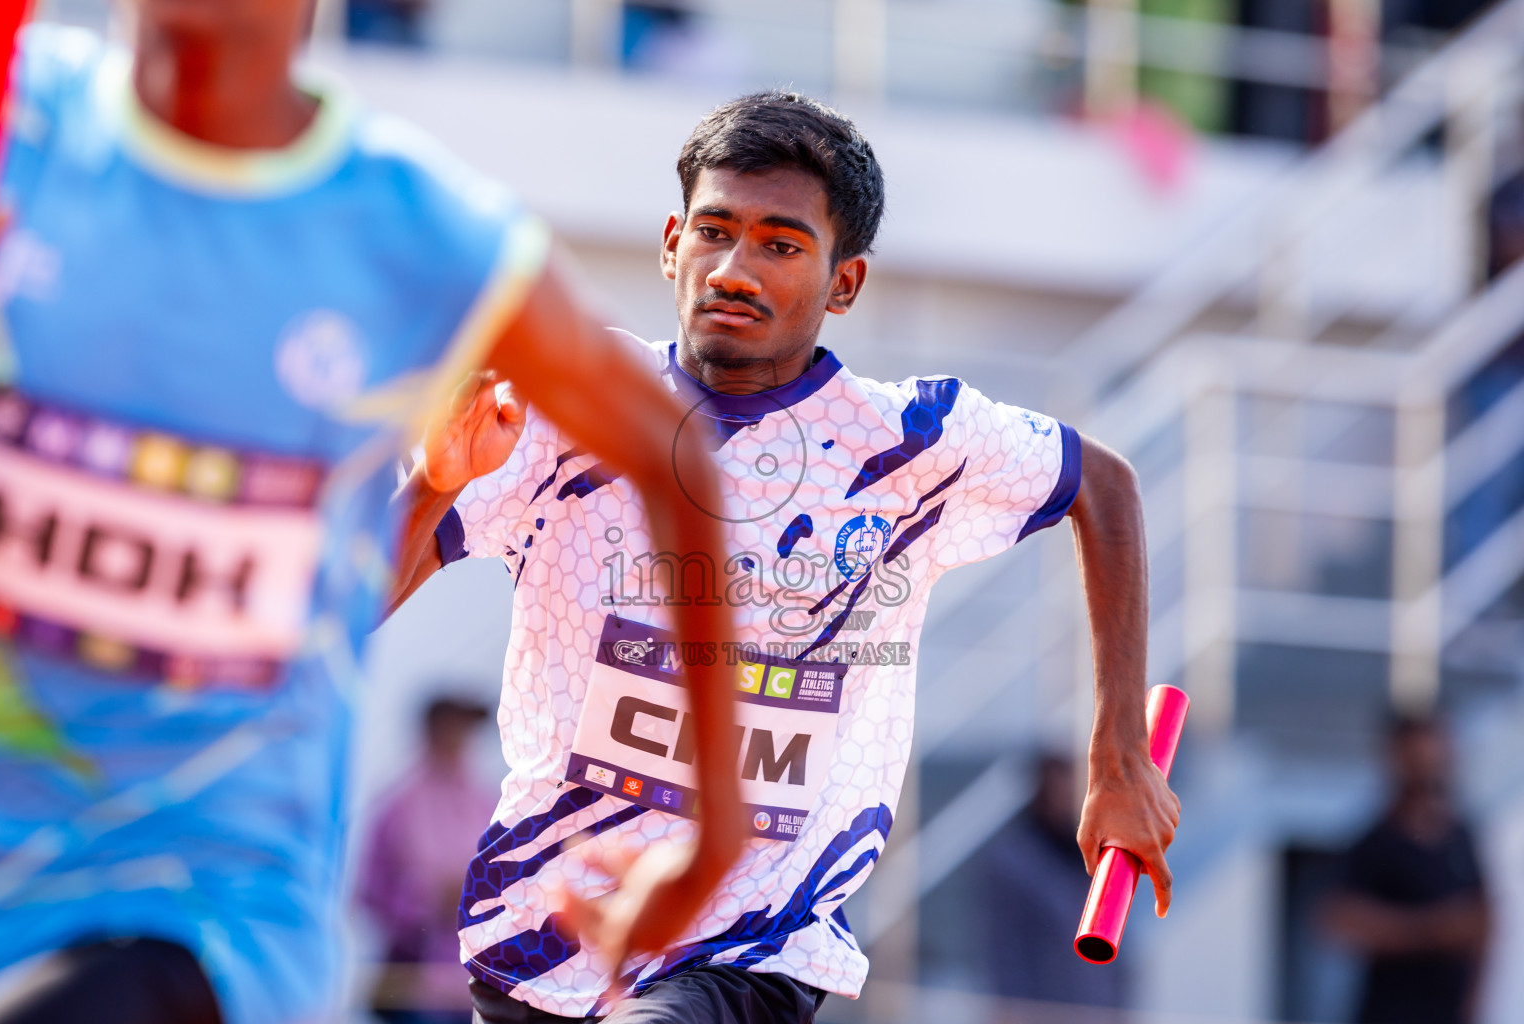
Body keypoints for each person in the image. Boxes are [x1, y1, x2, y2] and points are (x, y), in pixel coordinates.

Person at [0, 3, 741, 1023]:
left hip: (195, 914)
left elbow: (671, 444)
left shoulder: (417, 229)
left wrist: (714, 844)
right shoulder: (24, 117)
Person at [391, 91, 1182, 1023]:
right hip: (539, 932)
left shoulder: (909, 443)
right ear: (670, 243)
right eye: (715, 233)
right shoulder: (568, 409)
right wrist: (437, 481)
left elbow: (1106, 485)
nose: (734, 268)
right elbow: (343, 600)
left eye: (780, 243)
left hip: (753, 944)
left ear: (843, 283)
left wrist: (1119, 753)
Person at [1325, 716, 1490, 1024]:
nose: (1425, 768)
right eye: (1416, 759)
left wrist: (1474, 1005)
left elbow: (1484, 924)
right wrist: (1432, 930)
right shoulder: (1375, 841)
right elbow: (1338, 919)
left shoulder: (1462, 837)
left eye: (1432, 757)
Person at [357, 696, 498, 1023]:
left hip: (471, 978)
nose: (460, 738)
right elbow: (369, 889)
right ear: (431, 730)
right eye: (452, 727)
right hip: (414, 974)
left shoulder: (485, 800)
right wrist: (427, 900)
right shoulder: (399, 804)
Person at [974, 754, 1128, 1010]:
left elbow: (1118, 959)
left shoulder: (1100, 856)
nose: (1069, 789)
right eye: (1062, 776)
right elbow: (1005, 956)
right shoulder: (1013, 863)